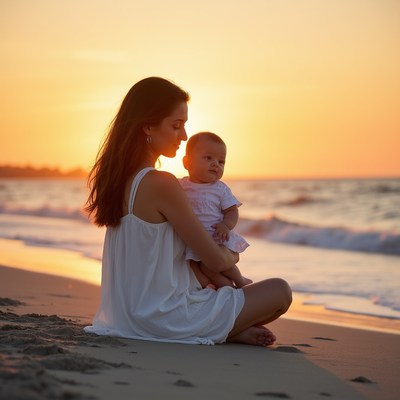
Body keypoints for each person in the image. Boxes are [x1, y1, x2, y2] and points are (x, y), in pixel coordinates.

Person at [84, 76, 292, 346]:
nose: (183, 136)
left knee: (238, 291)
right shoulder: (161, 183)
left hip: (125, 317)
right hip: (163, 319)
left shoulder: (118, 182)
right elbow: (216, 261)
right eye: (176, 125)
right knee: (280, 292)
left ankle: (230, 330)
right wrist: (233, 256)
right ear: (147, 125)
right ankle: (224, 331)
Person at [180, 131, 252, 289]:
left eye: (221, 161)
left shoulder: (220, 189)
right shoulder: (180, 186)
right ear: (187, 163)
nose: (216, 164)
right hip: (193, 242)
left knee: (214, 266)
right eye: (208, 158)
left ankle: (240, 281)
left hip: (216, 237)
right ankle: (225, 288)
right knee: (195, 267)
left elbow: (232, 211)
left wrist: (226, 225)